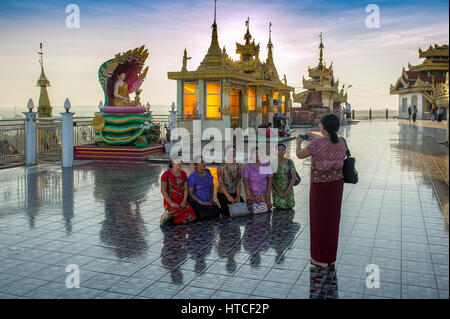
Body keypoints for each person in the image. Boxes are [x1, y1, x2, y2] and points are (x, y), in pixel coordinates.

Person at [296, 114, 346, 269]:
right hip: (337, 184)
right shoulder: (342, 141)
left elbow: (299, 155)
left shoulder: (316, 145)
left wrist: (298, 143)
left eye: (320, 125)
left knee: (319, 221)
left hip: (320, 186)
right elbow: (329, 141)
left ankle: (319, 258)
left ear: (323, 127)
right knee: (332, 220)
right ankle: (330, 257)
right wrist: (315, 137)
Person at [160, 160, 197, 225]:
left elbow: (185, 190)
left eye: (180, 161)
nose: (179, 163)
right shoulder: (166, 174)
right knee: (179, 221)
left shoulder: (183, 174)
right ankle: (166, 215)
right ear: (172, 162)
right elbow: (163, 190)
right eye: (177, 162)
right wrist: (171, 203)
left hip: (181, 201)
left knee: (192, 217)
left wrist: (184, 201)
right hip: (170, 201)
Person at [217, 146, 244, 216]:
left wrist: (238, 196)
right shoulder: (221, 167)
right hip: (223, 194)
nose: (232, 153)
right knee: (229, 212)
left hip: (234, 193)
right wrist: (228, 196)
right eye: (230, 152)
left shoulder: (238, 166)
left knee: (242, 209)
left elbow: (238, 182)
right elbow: (221, 183)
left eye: (233, 151)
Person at [272, 143, 296, 210]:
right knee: (278, 208)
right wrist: (278, 191)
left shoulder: (290, 162)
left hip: (288, 189)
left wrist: (288, 190)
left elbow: (294, 177)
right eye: (278, 150)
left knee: (289, 209)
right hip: (277, 190)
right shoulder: (272, 163)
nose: (280, 151)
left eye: (282, 150)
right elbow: (271, 179)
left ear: (285, 151)